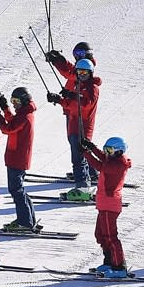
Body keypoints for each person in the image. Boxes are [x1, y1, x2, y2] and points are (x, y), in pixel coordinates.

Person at [47, 58, 101, 200]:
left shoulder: (92, 88)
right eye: (79, 72)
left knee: (79, 157)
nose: (82, 74)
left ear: (90, 73)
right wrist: (58, 99)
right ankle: (83, 185)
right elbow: (70, 105)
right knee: (76, 157)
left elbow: (86, 104)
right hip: (73, 125)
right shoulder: (79, 85)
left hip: (82, 127)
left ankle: (83, 187)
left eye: (85, 72)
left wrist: (72, 95)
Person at [80, 136, 132, 278]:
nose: (107, 153)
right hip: (104, 204)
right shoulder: (113, 159)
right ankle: (109, 261)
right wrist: (91, 147)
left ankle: (119, 266)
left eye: (109, 150)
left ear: (119, 151)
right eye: (106, 150)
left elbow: (101, 166)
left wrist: (86, 154)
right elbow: (104, 158)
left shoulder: (118, 165)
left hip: (110, 204)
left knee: (110, 236)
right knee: (100, 234)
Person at [0, 86, 38, 233]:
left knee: (16, 190)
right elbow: (12, 121)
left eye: (16, 101)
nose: (14, 104)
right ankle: (28, 219)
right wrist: (5, 108)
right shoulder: (23, 113)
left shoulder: (24, 116)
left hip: (17, 159)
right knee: (19, 189)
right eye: (12, 101)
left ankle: (25, 222)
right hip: (17, 158)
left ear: (24, 101)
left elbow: (7, 128)